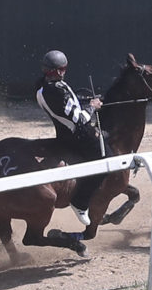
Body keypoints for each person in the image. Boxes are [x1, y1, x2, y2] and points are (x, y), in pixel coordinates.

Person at [36, 50, 106, 226]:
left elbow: (66, 110)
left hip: (63, 133)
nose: (65, 72)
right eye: (64, 68)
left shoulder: (42, 88)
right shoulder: (58, 90)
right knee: (106, 162)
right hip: (78, 137)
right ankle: (80, 202)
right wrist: (92, 106)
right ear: (59, 71)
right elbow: (80, 120)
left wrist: (82, 102)